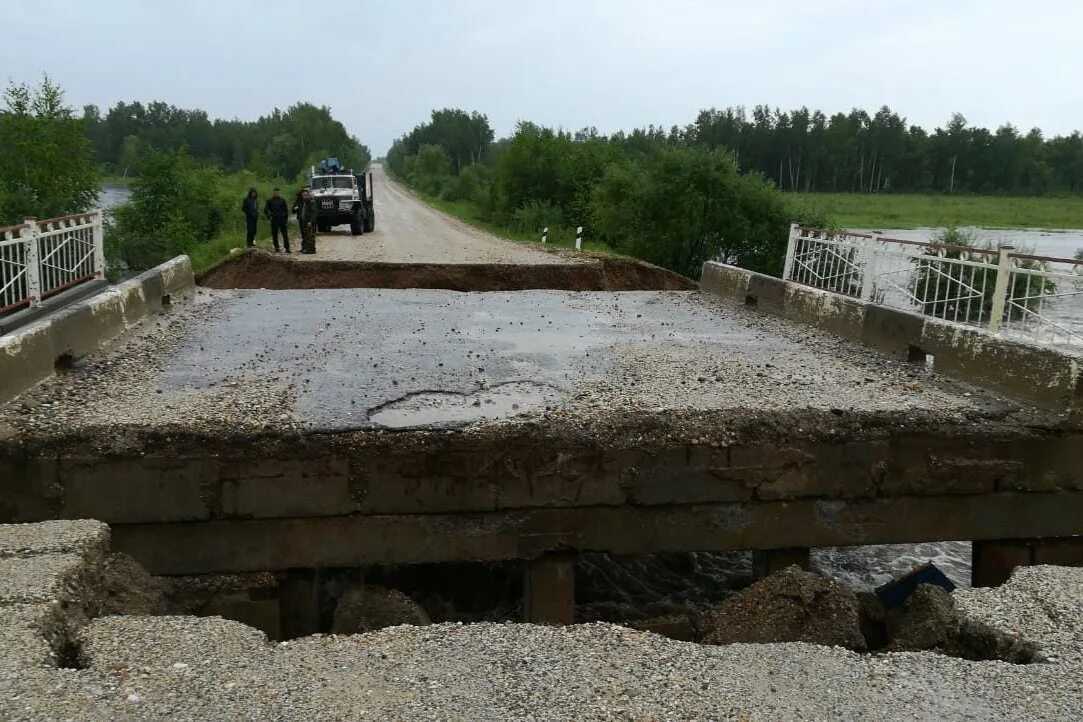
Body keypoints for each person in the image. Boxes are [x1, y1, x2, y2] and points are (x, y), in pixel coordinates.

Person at [263, 187, 291, 253]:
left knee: (285, 235)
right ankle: (277, 248)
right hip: (274, 219)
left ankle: (287, 248)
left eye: (277, 192)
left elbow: (286, 210)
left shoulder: (282, 200)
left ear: (279, 193)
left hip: (282, 219)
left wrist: (286, 220)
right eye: (275, 192)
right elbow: (265, 210)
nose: (276, 194)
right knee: (275, 234)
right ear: (273, 193)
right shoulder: (270, 201)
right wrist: (269, 217)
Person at [293, 186, 318, 254]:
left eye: (306, 194)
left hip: (309, 221)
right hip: (303, 221)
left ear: (308, 194)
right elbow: (294, 209)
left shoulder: (311, 201)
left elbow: (313, 213)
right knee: (305, 235)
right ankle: (306, 248)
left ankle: (311, 249)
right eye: (303, 194)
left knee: (310, 236)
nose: (304, 195)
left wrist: (311, 221)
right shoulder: (302, 201)